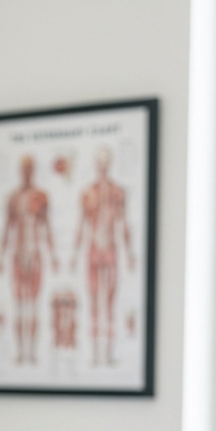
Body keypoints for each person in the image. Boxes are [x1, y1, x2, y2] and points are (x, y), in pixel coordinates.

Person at [71, 146, 135, 366]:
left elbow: (123, 223)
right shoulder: (88, 193)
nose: (102, 165)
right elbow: (81, 225)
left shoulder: (118, 192)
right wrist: (74, 253)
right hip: (93, 250)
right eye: (99, 161)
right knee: (94, 302)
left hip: (110, 249)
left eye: (105, 161)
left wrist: (129, 254)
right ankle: (95, 353)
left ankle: (107, 353)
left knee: (108, 303)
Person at [0, 154, 58, 365]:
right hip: (18, 255)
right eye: (25, 168)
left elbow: (46, 226)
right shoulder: (13, 198)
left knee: (34, 306)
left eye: (30, 168)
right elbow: (7, 229)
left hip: (35, 255)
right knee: (20, 307)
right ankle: (21, 352)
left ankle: (32, 352)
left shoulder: (41, 197)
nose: (27, 171)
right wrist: (1, 258)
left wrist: (54, 255)